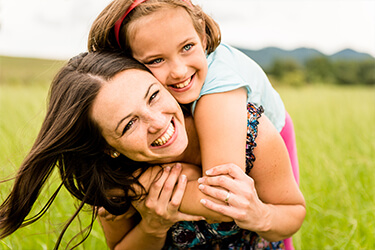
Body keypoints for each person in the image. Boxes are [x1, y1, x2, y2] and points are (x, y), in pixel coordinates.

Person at [0, 51, 305, 249]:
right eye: (129, 124)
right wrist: (153, 226)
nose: (158, 122)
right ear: (108, 149)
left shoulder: (246, 129)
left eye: (153, 95)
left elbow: (292, 213)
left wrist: (259, 214)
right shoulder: (116, 181)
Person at [88, 0, 300, 248]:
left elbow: (224, 197)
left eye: (187, 46)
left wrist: (136, 187)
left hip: (271, 138)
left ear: (202, 35)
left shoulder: (219, 92)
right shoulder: (131, 114)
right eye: (156, 60)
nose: (178, 71)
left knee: (273, 219)